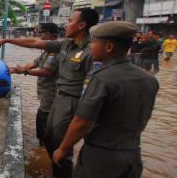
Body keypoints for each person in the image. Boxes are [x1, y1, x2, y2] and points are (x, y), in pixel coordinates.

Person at [0, 8, 99, 178]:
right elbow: (35, 43)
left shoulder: (91, 52)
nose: (66, 24)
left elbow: (95, 87)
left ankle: (63, 173)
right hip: (58, 98)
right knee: (49, 138)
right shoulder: (65, 45)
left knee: (61, 147)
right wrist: (7, 40)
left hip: (72, 103)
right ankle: (57, 169)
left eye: (70, 21)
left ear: (82, 25)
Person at [52, 21, 159, 178]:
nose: (90, 46)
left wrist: (62, 149)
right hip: (133, 155)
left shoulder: (101, 78)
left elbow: (82, 122)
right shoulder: (149, 79)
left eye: (94, 42)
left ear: (108, 47)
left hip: (101, 158)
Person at [8, 23, 59, 145]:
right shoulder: (47, 51)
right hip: (45, 92)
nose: (40, 37)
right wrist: (16, 69)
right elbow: (35, 63)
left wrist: (25, 71)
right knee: (44, 119)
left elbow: (46, 72)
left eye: (42, 34)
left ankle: (45, 146)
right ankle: (44, 144)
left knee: (44, 119)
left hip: (51, 93)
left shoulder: (54, 52)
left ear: (50, 35)